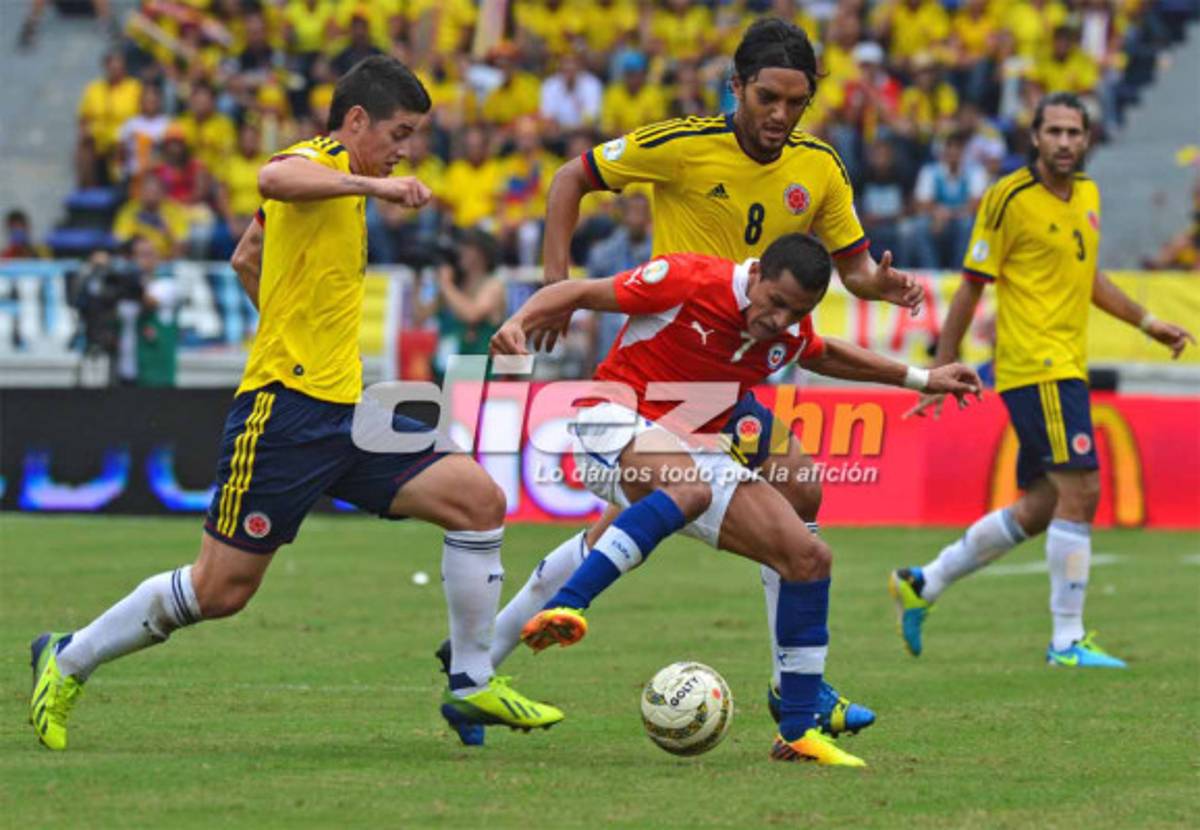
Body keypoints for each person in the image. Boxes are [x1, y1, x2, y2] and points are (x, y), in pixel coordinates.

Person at [28, 56, 561, 753]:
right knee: (220, 591)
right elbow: (272, 177)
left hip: (349, 407)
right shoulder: (320, 162)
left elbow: (248, 255)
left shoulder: (335, 186)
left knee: (479, 502)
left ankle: (470, 684)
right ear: (357, 120)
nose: (405, 149)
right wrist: (373, 185)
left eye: (413, 136)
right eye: (398, 131)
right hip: (284, 412)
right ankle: (66, 658)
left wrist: (287, 315)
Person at [442, 17, 926, 746]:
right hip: (669, 359)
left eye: (797, 103)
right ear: (736, 87)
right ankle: (489, 658)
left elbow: (851, 269)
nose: (780, 116)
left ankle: (794, 685)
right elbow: (571, 177)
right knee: (686, 500)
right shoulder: (681, 145)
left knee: (797, 492)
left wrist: (877, 284)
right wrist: (556, 288)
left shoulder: (820, 165)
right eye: (767, 97)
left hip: (740, 371)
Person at [490, 233, 983, 765]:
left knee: (808, 556)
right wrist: (518, 321)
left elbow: (824, 353)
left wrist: (922, 378)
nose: (780, 320)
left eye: (797, 312)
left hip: (696, 441)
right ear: (755, 276)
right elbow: (580, 291)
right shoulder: (686, 279)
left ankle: (797, 728)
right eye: (775, 303)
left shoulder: (788, 328)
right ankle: (568, 604)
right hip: (612, 419)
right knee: (688, 488)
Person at [891, 93, 1195, 667]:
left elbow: (1088, 278)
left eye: (1073, 132)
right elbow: (972, 284)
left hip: (1066, 365)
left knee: (1041, 506)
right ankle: (1066, 642)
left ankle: (923, 583)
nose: (1063, 141)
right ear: (1034, 138)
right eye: (1052, 131)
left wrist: (1149, 322)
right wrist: (944, 366)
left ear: (1086, 139)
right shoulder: (1008, 198)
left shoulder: (1088, 193)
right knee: (1082, 492)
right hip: (1037, 367)